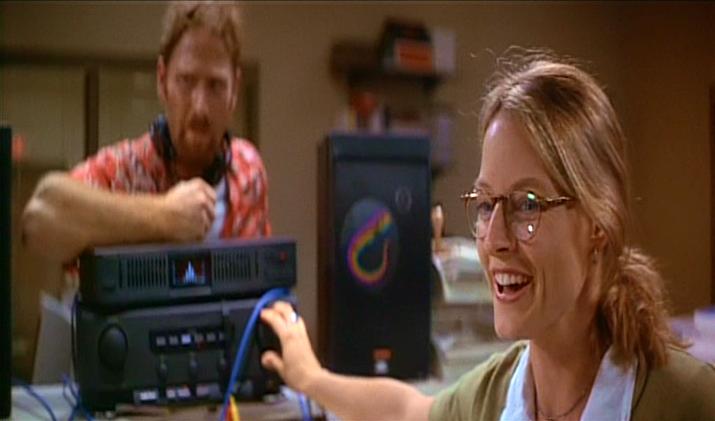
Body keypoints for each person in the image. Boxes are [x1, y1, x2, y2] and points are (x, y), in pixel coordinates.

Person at [260, 51, 715, 421]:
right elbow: (407, 411)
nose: (494, 239)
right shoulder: (494, 397)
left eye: (527, 205)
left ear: (598, 221)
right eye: (484, 204)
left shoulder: (690, 403)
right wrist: (311, 378)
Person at [21, 1, 270, 264]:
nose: (200, 107)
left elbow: (264, 275)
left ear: (234, 90)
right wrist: (164, 215)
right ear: (162, 81)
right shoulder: (125, 169)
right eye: (186, 81)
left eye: (216, 86)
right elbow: (39, 218)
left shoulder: (247, 169)